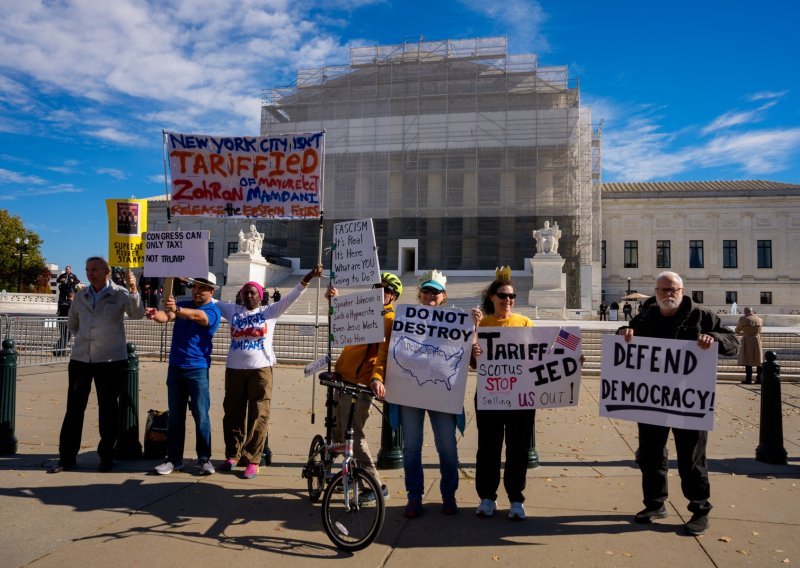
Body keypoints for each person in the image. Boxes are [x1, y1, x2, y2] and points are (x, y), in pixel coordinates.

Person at [617, 271, 738, 536]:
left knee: (691, 458)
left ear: (682, 291)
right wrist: (624, 331)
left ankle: (699, 509)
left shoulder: (702, 317)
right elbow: (625, 337)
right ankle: (655, 504)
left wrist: (714, 338)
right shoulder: (646, 316)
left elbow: (733, 343)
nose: (668, 294)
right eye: (663, 290)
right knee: (650, 456)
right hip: (652, 399)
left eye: (673, 290)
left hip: (688, 400)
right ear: (656, 292)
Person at [215, 266, 323, 479]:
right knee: (232, 413)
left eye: (252, 292)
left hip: (261, 370)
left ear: (260, 296)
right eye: (245, 292)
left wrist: (309, 276)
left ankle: (253, 458)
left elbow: (293, 295)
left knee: (259, 415)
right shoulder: (232, 311)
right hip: (234, 370)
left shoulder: (269, 312)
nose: (248, 295)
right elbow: (209, 300)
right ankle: (232, 454)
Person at [372, 269, 462, 518]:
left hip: (440, 394)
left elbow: (465, 358)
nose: (431, 295)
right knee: (411, 447)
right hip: (409, 391)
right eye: (426, 292)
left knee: (446, 447)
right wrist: (377, 376)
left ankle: (448, 494)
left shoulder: (457, 322)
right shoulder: (403, 319)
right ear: (419, 295)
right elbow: (384, 352)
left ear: (443, 297)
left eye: (436, 292)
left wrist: (474, 329)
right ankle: (414, 496)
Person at [49, 257, 144, 473]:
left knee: (108, 409)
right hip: (82, 358)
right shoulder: (81, 295)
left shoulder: (120, 293)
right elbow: (73, 323)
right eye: (87, 270)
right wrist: (87, 338)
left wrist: (134, 289)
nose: (90, 273)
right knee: (74, 408)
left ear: (106, 272)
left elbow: (137, 314)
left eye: (94, 269)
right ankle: (67, 457)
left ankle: (107, 456)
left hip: (110, 360)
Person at [324, 272, 402, 500]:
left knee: (354, 436)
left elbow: (383, 355)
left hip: (361, 384)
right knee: (338, 433)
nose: (380, 291)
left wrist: (377, 377)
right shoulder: (364, 311)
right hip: (342, 378)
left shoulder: (389, 320)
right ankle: (352, 477)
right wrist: (334, 301)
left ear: (393, 297)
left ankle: (375, 486)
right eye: (376, 286)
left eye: (386, 289)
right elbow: (344, 334)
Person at [470, 274, 535, 521]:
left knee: (518, 450)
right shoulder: (483, 325)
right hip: (490, 396)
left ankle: (516, 499)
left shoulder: (526, 323)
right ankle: (487, 497)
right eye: (503, 296)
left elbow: (541, 357)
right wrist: (474, 351)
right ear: (492, 298)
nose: (508, 300)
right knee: (488, 448)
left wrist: (569, 359)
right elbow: (475, 365)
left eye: (511, 296)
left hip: (520, 398)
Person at [146, 273, 222, 476]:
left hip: (197, 368)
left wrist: (177, 309)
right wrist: (156, 315)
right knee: (176, 417)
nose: (196, 291)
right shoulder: (185, 303)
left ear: (211, 291)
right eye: (195, 287)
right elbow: (167, 316)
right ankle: (174, 459)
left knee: (201, 415)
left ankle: (204, 459)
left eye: (202, 288)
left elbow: (199, 317)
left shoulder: (212, 310)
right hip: (176, 367)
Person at [736, 307, 763, 384]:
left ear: (745, 312)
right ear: (752, 311)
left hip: (747, 340)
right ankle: (759, 379)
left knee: (747, 360)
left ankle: (748, 379)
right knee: (758, 360)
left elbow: (737, 330)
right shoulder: (759, 319)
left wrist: (741, 332)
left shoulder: (743, 319)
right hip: (757, 340)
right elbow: (760, 330)